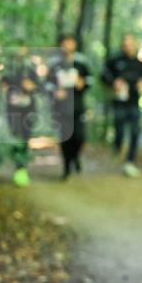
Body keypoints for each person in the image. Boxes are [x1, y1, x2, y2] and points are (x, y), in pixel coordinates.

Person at [101, 34, 142, 177]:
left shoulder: (140, 64)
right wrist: (113, 83)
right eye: (126, 44)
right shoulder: (114, 60)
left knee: (135, 131)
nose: (128, 46)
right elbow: (104, 75)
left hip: (134, 102)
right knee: (120, 129)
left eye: (131, 44)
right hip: (119, 102)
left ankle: (130, 161)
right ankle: (117, 149)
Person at [47, 34, 92, 180]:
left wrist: (82, 84)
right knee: (65, 138)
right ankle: (66, 167)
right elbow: (46, 84)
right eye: (65, 43)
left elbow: (90, 82)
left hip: (78, 107)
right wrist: (55, 92)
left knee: (79, 137)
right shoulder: (54, 64)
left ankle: (74, 157)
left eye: (70, 43)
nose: (68, 46)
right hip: (60, 108)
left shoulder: (81, 63)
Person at [0, 48, 41, 187]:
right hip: (13, 110)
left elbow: (39, 87)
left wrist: (31, 87)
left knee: (25, 138)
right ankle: (18, 167)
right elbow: (2, 86)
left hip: (28, 111)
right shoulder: (8, 69)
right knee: (15, 137)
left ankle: (22, 168)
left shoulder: (31, 69)